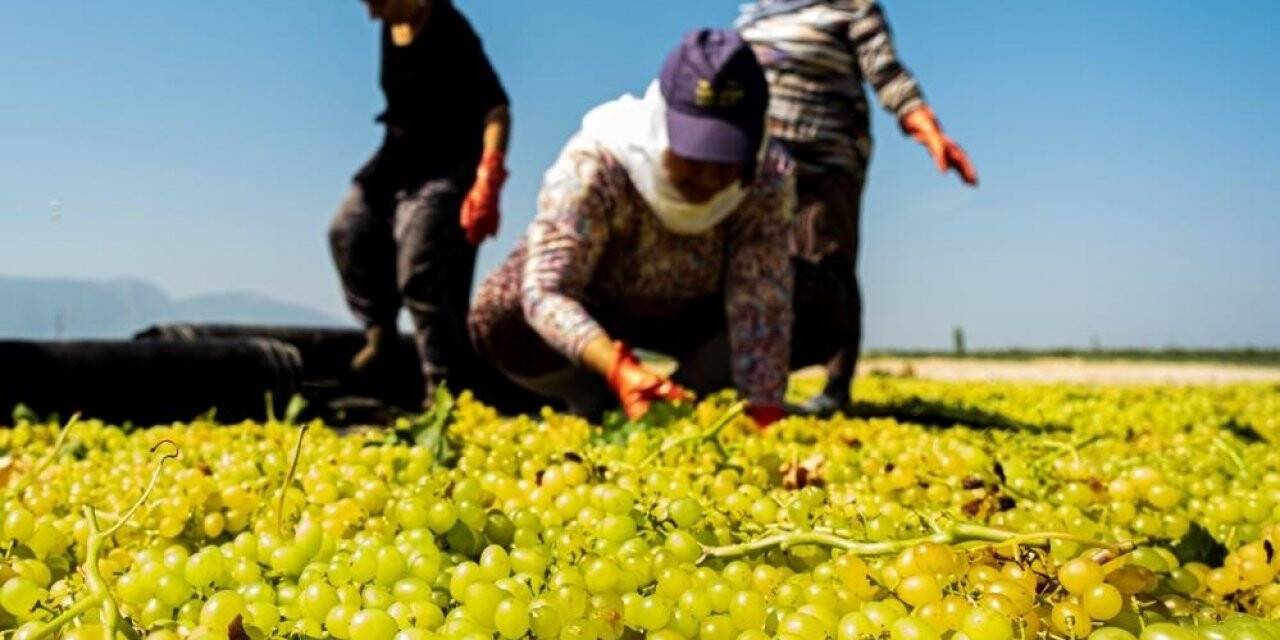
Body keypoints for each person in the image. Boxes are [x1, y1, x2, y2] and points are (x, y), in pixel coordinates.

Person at [468, 29, 793, 427]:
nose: (709, 179)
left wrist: (764, 408)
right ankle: (597, 397)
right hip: (598, 310)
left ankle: (679, 397)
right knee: (502, 312)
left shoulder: (767, 175)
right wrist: (616, 367)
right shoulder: (595, 163)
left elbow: (760, 298)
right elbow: (547, 290)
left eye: (727, 160)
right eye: (694, 156)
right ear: (662, 125)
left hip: (694, 313)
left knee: (820, 302)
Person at [737, 0, 979, 415]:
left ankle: (836, 386)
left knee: (826, 260)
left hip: (827, 160)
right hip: (761, 161)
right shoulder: (758, 10)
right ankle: (759, 381)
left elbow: (886, 72)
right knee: (763, 266)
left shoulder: (852, 7)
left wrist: (929, 131)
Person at [328, 0, 511, 403]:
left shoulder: (449, 29)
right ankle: (382, 338)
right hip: (396, 163)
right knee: (348, 231)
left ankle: (445, 393)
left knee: (422, 272)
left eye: (378, 3)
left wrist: (489, 178)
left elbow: (497, 111)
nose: (372, 15)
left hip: (447, 166)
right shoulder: (390, 27)